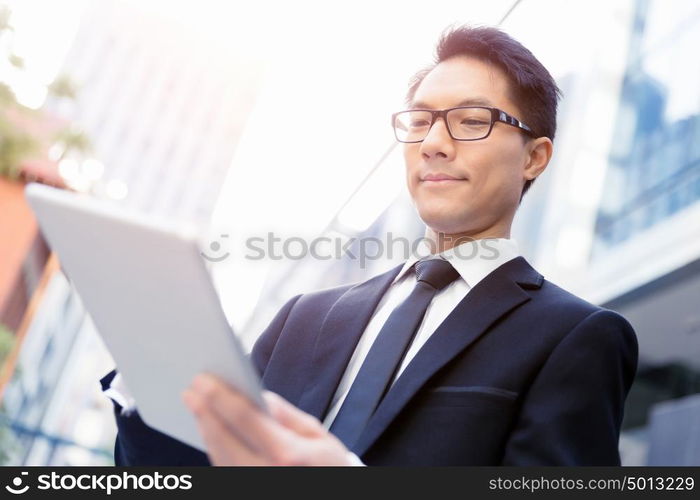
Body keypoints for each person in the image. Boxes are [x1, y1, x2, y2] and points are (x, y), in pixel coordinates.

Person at [101, 25, 638, 466]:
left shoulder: (576, 337)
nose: (433, 144)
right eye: (421, 121)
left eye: (471, 121)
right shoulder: (303, 320)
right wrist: (148, 379)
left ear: (534, 157)